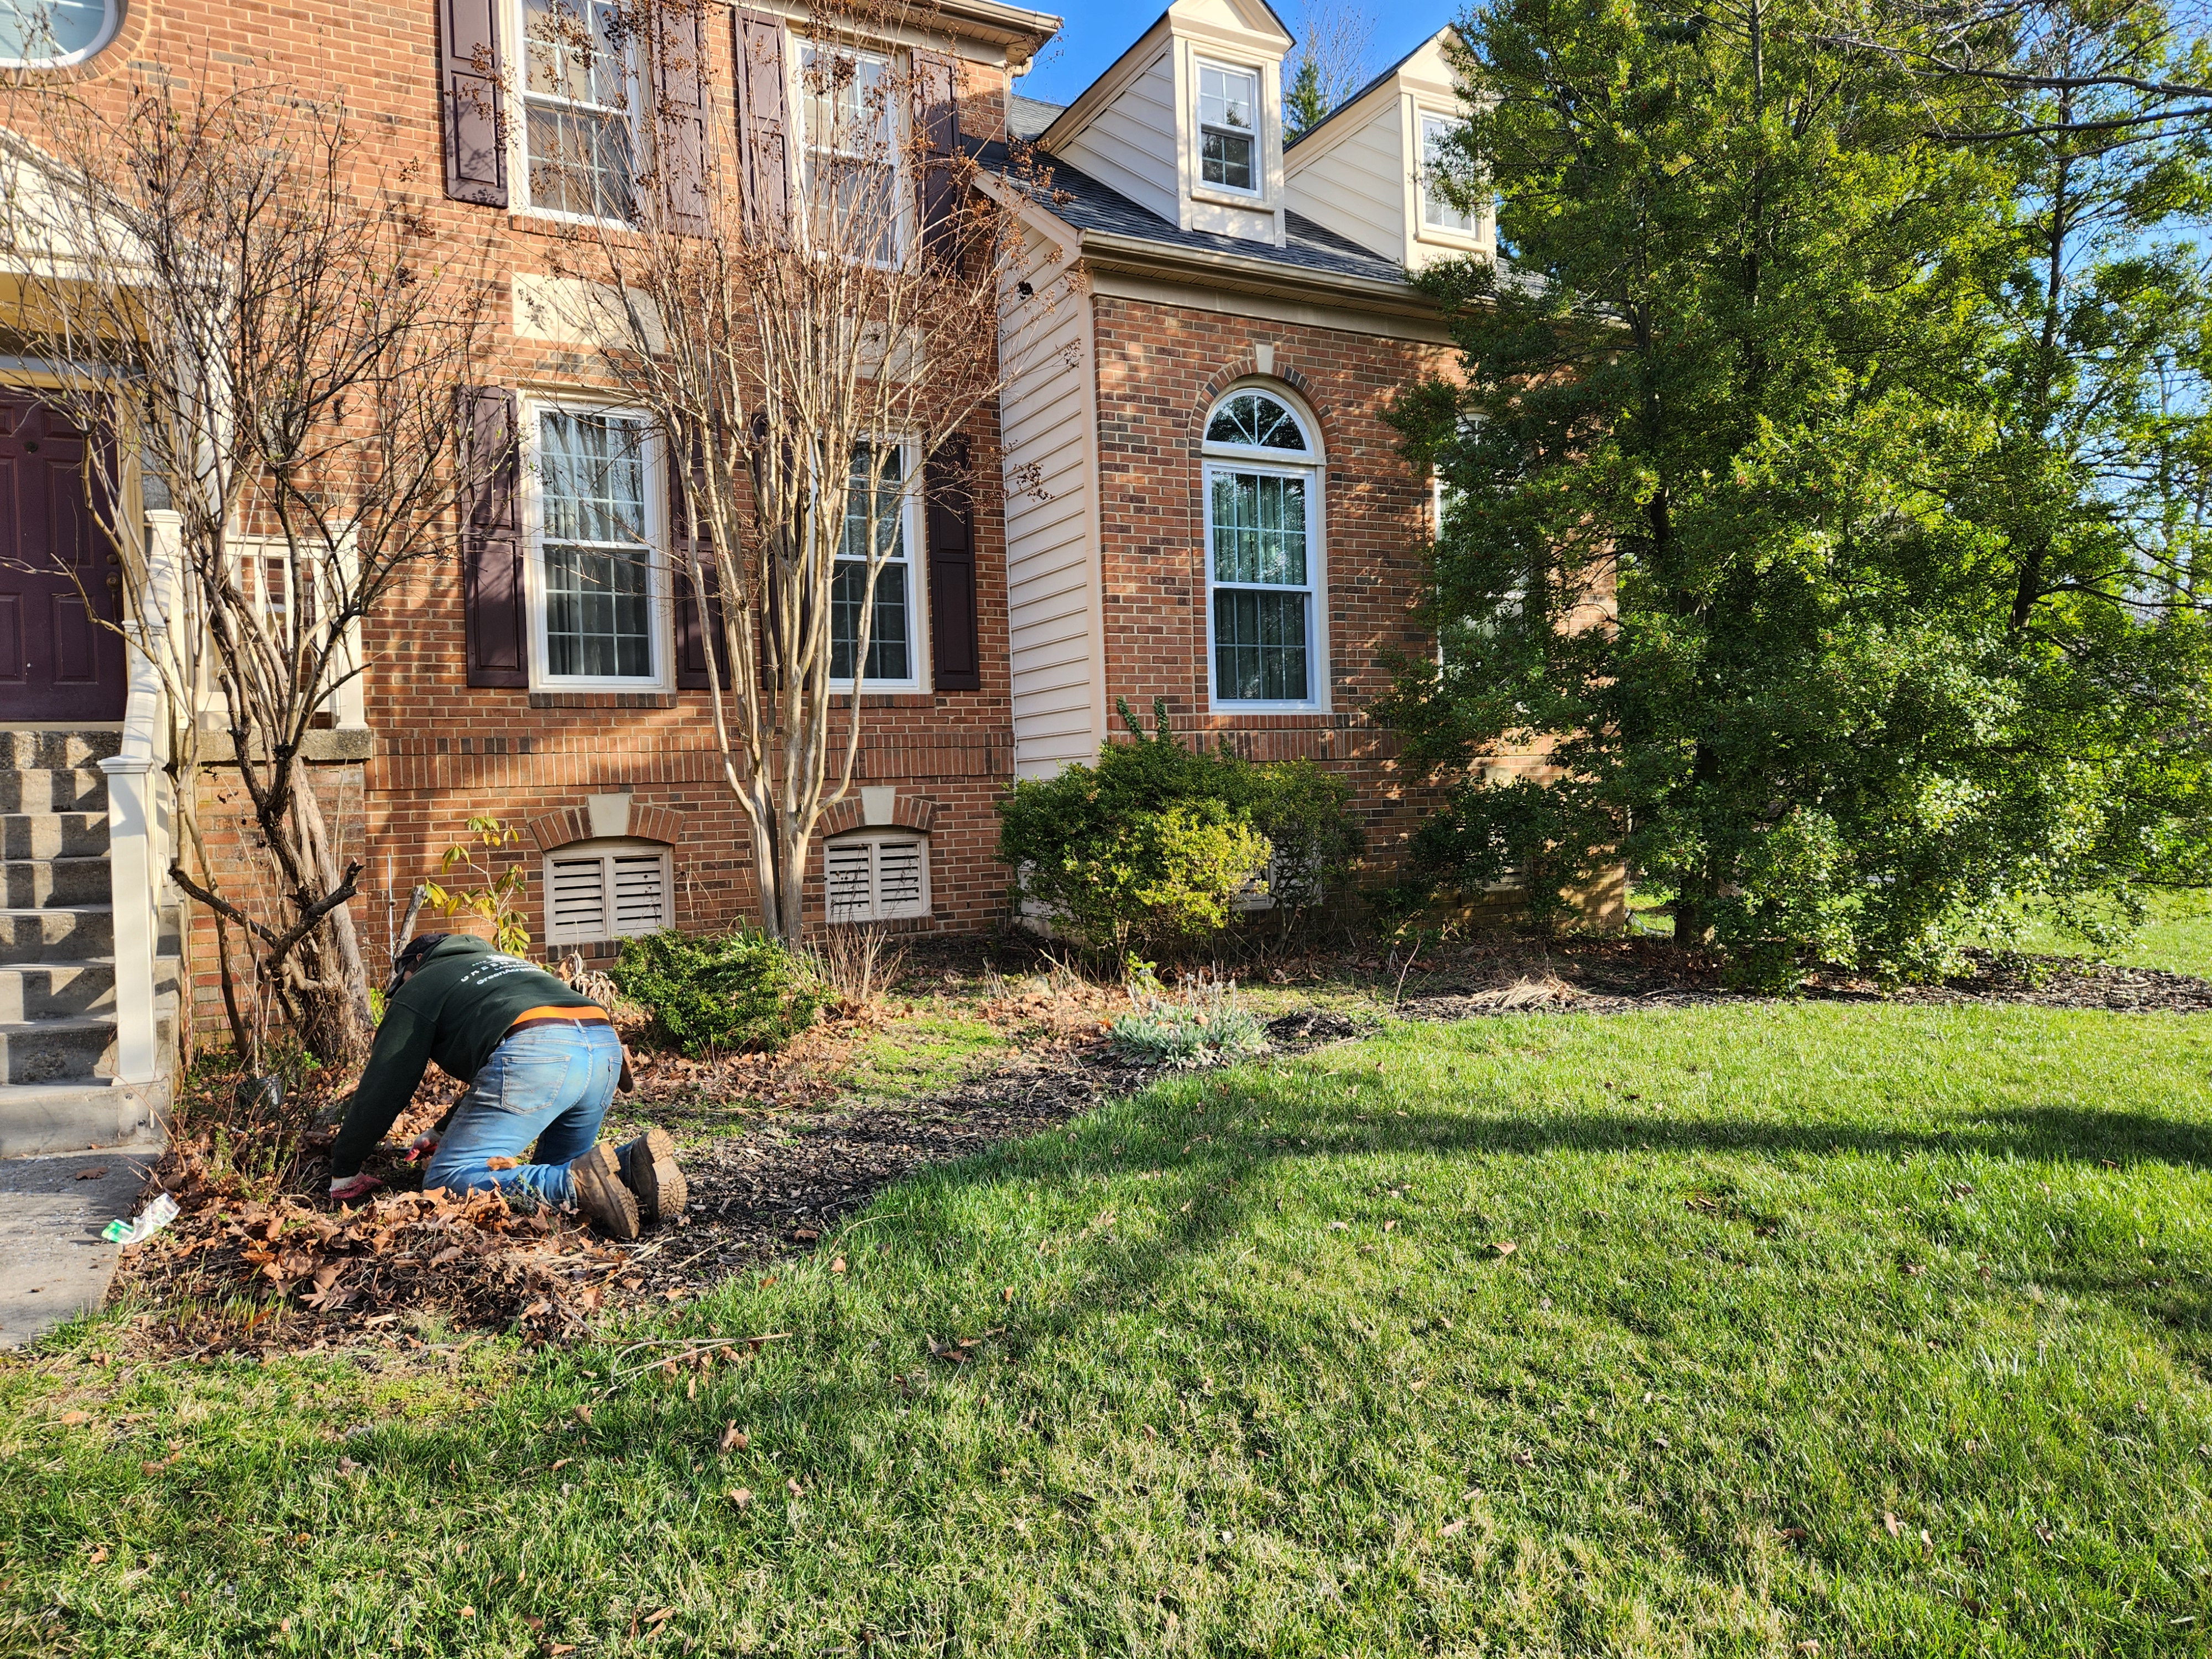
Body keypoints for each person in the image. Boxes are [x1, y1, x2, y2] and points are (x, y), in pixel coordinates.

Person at [326, 933, 685, 1240]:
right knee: (558, 1166)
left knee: (445, 1179)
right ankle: (633, 1163)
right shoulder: (507, 963)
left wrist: (346, 1167)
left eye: (402, 977)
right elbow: (493, 1070)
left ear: (417, 961)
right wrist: (439, 1132)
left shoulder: (422, 983)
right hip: (602, 1044)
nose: (403, 985)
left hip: (540, 1051)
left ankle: (576, 1184)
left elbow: (386, 1081)